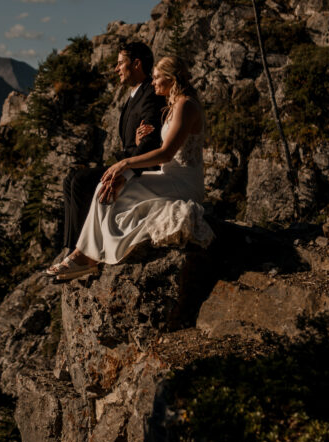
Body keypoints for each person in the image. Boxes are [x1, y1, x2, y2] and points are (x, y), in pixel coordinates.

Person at [46, 56, 214, 281]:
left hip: (183, 184)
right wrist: (135, 146)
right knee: (106, 188)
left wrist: (125, 163)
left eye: (156, 78)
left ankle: (85, 256)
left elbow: (166, 153)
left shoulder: (186, 105)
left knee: (113, 188)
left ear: (170, 78)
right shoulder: (176, 105)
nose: (152, 82)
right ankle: (84, 254)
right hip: (167, 177)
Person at [55, 41, 165, 275]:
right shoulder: (135, 95)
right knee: (71, 179)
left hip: (139, 168)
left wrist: (125, 172)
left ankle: (82, 253)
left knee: (81, 182)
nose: (116, 69)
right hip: (128, 159)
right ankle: (72, 247)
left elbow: (150, 142)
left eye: (119, 63)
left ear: (136, 64)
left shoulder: (150, 95)